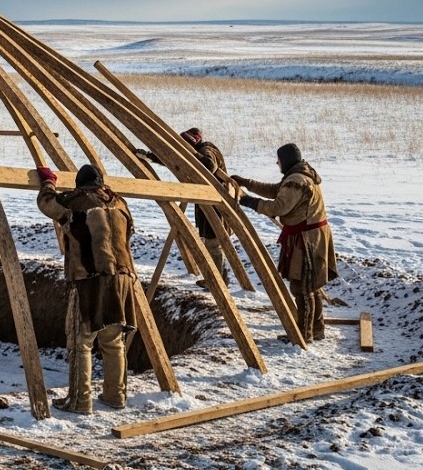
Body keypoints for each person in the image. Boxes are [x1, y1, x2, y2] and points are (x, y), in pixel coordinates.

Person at [36, 164, 140, 414]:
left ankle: (80, 401)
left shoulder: (75, 201)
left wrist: (48, 182)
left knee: (81, 341)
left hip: (89, 277)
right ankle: (115, 396)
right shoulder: (120, 203)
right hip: (123, 276)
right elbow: (130, 233)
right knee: (113, 340)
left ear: (79, 184)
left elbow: (47, 204)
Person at [232, 143, 338, 345]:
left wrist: (247, 201)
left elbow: (278, 207)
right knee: (311, 287)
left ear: (286, 160)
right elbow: (276, 191)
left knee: (302, 288)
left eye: (279, 160)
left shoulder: (296, 180)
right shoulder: (298, 176)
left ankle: (302, 335)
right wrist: (246, 183)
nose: (277, 163)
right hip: (311, 236)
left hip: (306, 240)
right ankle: (316, 329)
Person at [138, 127, 236, 289]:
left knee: (213, 243)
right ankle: (215, 279)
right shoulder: (198, 151)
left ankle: (217, 282)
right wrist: (151, 157)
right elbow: (176, 160)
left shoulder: (207, 149)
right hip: (206, 201)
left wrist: (190, 152)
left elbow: (209, 165)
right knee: (210, 241)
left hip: (215, 203)